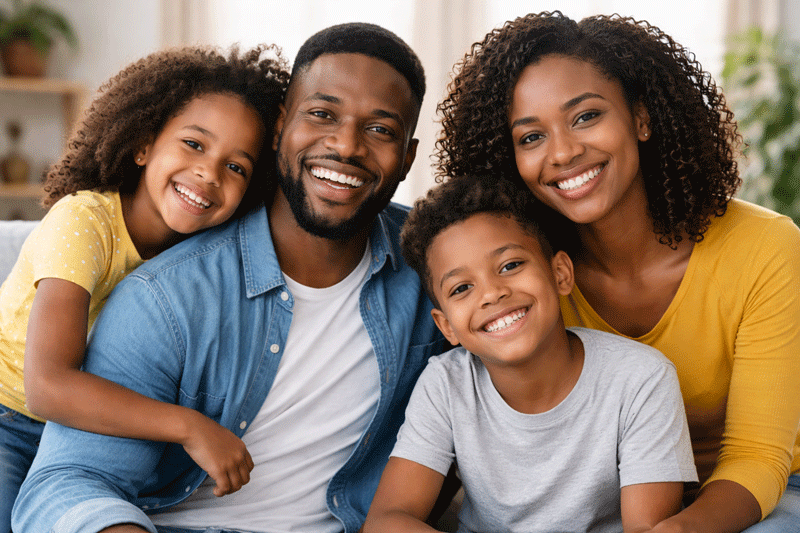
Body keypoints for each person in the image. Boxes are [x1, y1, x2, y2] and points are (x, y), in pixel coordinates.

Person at [12, 22, 448, 533]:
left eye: (380, 129)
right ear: (281, 125)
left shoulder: (433, 262)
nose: (347, 146)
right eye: (322, 114)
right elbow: (67, 482)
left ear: (408, 157)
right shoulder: (166, 296)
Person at [435, 11, 800, 533]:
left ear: (642, 119)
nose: (562, 152)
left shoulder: (765, 248)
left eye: (585, 117)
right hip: (609, 500)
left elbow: (759, 455)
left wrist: (674, 530)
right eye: (531, 137)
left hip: (752, 497)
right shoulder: (522, 277)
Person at [0, 44, 287, 531]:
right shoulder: (83, 222)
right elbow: (47, 386)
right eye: (194, 144)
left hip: (100, 436)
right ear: (143, 145)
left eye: (236, 166)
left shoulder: (203, 257)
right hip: (13, 421)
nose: (208, 173)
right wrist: (190, 427)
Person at [363, 174, 697, 533]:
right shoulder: (446, 384)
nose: (491, 294)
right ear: (447, 327)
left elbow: (646, 529)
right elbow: (387, 520)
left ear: (560, 274)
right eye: (461, 288)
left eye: (510, 265)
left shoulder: (640, 379)